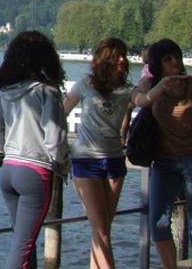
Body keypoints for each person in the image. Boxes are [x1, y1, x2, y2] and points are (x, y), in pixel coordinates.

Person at [132, 38, 192, 269]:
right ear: (159, 64)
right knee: (157, 222)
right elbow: (137, 100)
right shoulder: (151, 85)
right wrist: (158, 86)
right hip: (164, 162)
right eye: (168, 59)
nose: (175, 62)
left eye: (176, 57)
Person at [0, 31, 69, 269]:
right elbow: (55, 137)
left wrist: (11, 150)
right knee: (23, 246)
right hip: (35, 172)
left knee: (23, 241)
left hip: (9, 170)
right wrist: (60, 163)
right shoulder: (47, 92)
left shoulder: (3, 90)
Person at [62, 37, 134, 269]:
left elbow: (143, 100)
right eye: (116, 55)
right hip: (86, 160)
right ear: (104, 59)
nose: (122, 59)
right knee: (102, 230)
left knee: (102, 229)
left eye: (123, 54)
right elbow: (60, 113)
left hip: (114, 160)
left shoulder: (127, 89)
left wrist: (157, 87)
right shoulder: (86, 83)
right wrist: (58, 146)